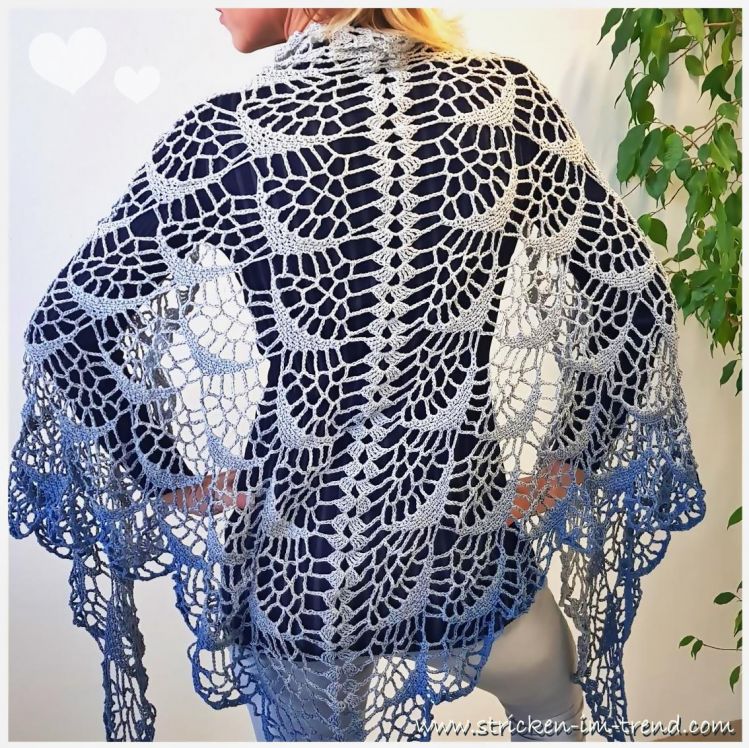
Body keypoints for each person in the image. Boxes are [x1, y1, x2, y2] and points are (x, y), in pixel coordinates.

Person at [8, 6, 706, 743]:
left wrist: (169, 473)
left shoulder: (224, 133)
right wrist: (571, 452)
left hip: (302, 572)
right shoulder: (507, 103)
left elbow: (67, 327)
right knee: (553, 719)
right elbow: (632, 297)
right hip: (466, 554)